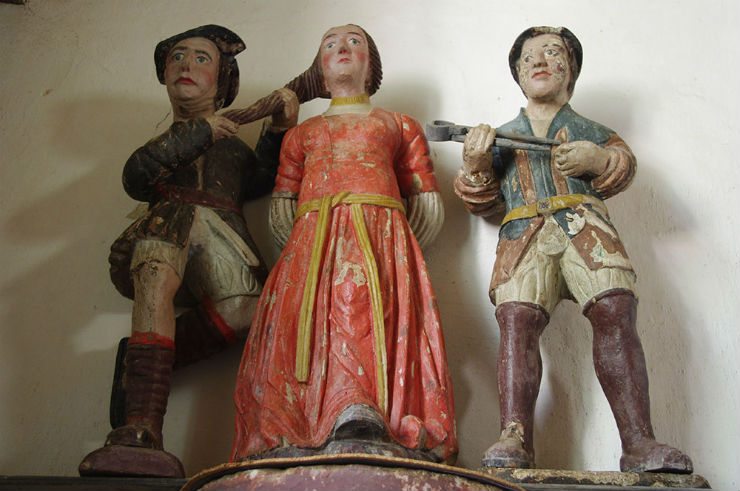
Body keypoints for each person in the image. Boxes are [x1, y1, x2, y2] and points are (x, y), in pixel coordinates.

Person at [454, 26, 693, 473]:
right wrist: (474, 164)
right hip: (524, 236)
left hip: (586, 229)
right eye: (528, 57)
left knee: (615, 309)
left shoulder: (593, 132)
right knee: (517, 320)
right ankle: (514, 436)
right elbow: (480, 200)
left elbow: (622, 167)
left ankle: (639, 441)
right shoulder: (501, 136)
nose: (539, 61)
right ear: (517, 74)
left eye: (552, 52)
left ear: (571, 70)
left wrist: (598, 160)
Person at [231, 24, 457, 464]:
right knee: (302, 319)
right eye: (330, 44)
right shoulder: (302, 133)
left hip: (380, 235)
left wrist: (402, 250)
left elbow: (424, 197)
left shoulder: (398, 124)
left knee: (362, 304)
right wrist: (301, 247)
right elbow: (283, 202)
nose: (342, 48)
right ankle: (297, 418)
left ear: (371, 64)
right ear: (318, 68)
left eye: (355, 42)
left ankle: (362, 407)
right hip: (312, 242)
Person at [79, 25, 298, 478]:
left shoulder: (232, 147)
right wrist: (200, 131)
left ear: (222, 80)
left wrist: (280, 128)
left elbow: (259, 179)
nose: (186, 65)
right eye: (178, 57)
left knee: (247, 309)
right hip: (170, 222)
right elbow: (137, 176)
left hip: (222, 230)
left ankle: (141, 365)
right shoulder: (177, 138)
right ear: (163, 73)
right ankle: (140, 427)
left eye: (202, 59)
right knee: (155, 277)